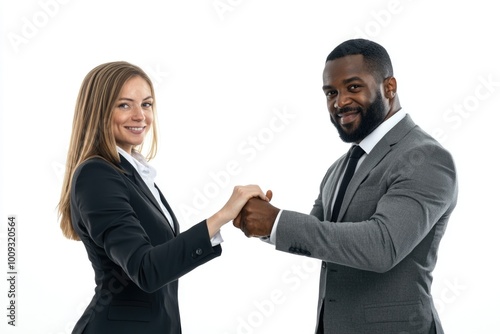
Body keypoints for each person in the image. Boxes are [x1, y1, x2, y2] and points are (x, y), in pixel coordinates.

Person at [233, 39, 458, 334]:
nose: (339, 102)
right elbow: (319, 232)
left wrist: (276, 221)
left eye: (353, 87)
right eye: (331, 92)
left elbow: (382, 246)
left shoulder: (425, 157)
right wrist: (264, 224)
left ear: (389, 87)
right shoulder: (340, 166)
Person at [58, 61, 268, 334]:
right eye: (124, 105)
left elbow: (162, 263)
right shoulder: (96, 175)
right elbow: (146, 270)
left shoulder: (132, 173)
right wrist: (221, 216)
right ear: (98, 112)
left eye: (146, 104)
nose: (140, 116)